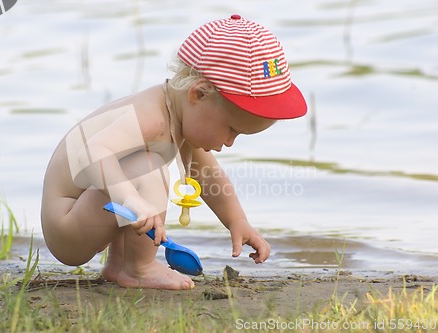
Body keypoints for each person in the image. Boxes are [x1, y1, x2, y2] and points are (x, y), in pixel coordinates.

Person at [41, 14, 307, 290]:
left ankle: (121, 265)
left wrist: (238, 222)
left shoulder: (178, 116)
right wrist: (128, 197)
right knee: (148, 167)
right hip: (68, 224)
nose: (229, 142)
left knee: (140, 169)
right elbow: (91, 151)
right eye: (231, 129)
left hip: (90, 211)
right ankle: (139, 268)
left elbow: (209, 175)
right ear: (198, 94)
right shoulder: (151, 117)